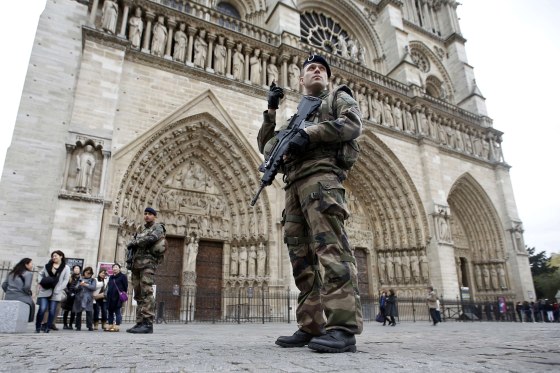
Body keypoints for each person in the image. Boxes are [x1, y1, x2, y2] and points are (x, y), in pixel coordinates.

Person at [258, 55, 363, 353]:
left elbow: (352, 124)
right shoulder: (296, 117)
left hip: (321, 180)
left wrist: (310, 134)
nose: (316, 71)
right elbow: (267, 148)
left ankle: (342, 328)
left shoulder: (336, 98)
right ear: (301, 80)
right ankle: (311, 324)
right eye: (310, 69)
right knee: (301, 260)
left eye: (321, 69)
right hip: (293, 187)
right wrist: (271, 110)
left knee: (332, 252)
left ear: (327, 78)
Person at [126, 207, 167, 333]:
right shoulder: (142, 229)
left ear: (154, 216)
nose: (147, 216)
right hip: (136, 264)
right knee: (138, 293)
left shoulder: (158, 227)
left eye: (149, 214)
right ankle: (139, 322)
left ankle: (148, 323)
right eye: (145, 214)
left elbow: (152, 238)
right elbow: (132, 243)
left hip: (148, 263)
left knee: (147, 291)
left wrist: (136, 242)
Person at [35, 250, 70, 333]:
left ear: (61, 256)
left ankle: (48, 327)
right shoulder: (47, 265)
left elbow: (66, 280)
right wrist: (41, 282)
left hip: (56, 291)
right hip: (45, 290)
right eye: (53, 256)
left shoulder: (66, 267)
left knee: (52, 311)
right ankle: (38, 326)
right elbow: (40, 274)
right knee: (42, 309)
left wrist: (60, 288)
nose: (54, 257)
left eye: (56, 255)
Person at [1, 258, 35, 322]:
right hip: (21, 297)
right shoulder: (28, 273)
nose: (32, 265)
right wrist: (29, 293)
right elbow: (26, 287)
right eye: (31, 264)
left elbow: (4, 285)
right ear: (26, 265)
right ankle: (28, 320)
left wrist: (9, 292)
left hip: (9, 296)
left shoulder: (11, 273)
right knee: (32, 304)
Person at [105, 263, 128, 332]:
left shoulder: (123, 276)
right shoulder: (111, 277)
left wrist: (122, 293)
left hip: (117, 297)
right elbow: (109, 286)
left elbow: (125, 286)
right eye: (113, 267)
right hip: (110, 296)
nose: (115, 268)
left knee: (117, 311)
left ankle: (117, 326)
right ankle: (110, 325)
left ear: (119, 268)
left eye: (116, 267)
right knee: (110, 312)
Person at [73, 266, 96, 331]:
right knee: (78, 312)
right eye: (86, 272)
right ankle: (78, 326)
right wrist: (80, 285)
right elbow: (75, 288)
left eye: (89, 273)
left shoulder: (93, 280)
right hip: (80, 297)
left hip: (88, 298)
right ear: (84, 272)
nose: (88, 274)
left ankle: (90, 326)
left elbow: (93, 287)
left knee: (89, 312)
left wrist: (85, 285)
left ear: (91, 274)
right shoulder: (80, 279)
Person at [62, 265, 82, 329]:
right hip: (69, 296)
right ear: (73, 270)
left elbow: (81, 287)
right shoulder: (69, 277)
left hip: (76, 297)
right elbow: (65, 286)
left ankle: (70, 324)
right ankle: (65, 324)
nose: (76, 269)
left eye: (78, 268)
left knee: (73, 311)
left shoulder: (81, 278)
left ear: (80, 270)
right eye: (75, 268)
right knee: (66, 310)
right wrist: (68, 293)